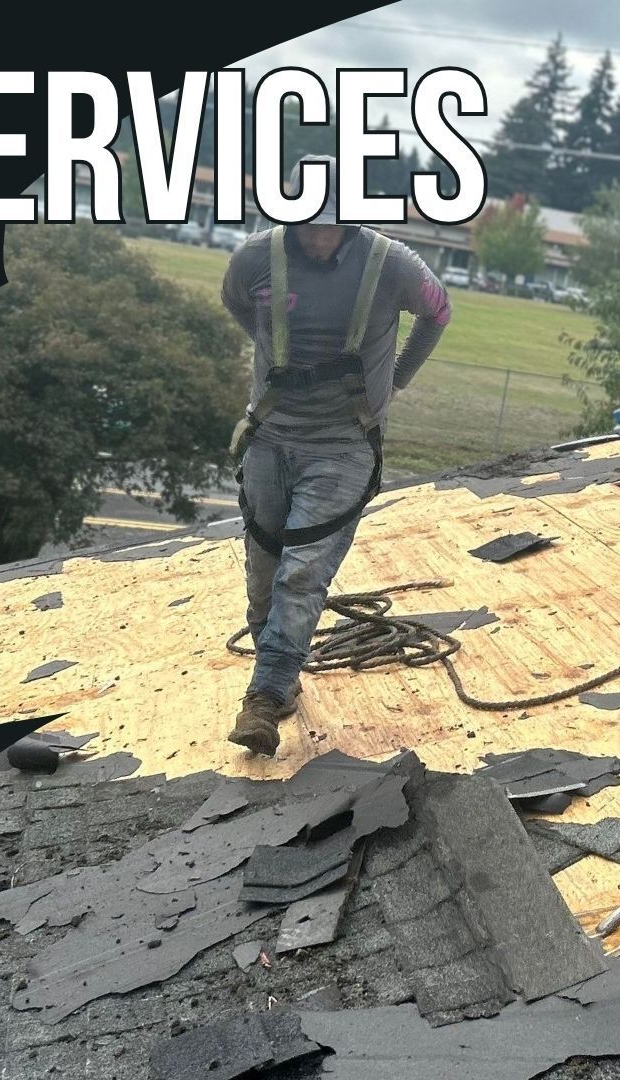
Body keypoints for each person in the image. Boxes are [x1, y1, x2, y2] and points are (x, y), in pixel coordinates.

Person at [218, 154, 453, 756]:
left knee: (302, 573)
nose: (320, 232)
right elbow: (237, 302)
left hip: (344, 446)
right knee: (264, 569)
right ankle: (280, 676)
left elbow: (437, 312)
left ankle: (263, 698)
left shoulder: (391, 264)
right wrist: (275, 348)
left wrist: (394, 381)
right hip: (270, 437)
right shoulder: (256, 258)